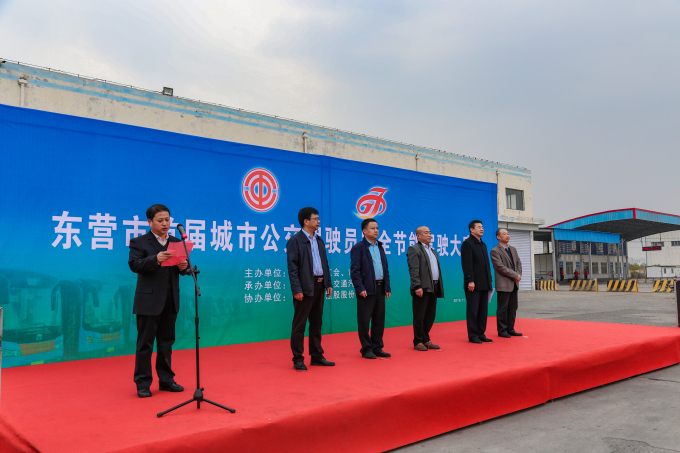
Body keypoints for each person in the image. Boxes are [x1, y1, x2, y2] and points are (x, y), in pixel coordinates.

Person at [128, 204, 188, 398]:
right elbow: (134, 265)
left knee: (166, 343)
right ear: (150, 221)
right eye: (160, 220)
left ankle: (166, 380)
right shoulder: (139, 242)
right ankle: (143, 383)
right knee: (145, 344)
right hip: (148, 302)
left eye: (167, 220)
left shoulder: (176, 242)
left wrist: (184, 266)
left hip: (170, 301)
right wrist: (156, 259)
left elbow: (185, 269)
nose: (165, 224)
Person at [287, 207, 334, 371]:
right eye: (316, 219)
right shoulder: (295, 241)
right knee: (299, 325)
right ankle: (298, 358)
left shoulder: (319, 240)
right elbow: (292, 268)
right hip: (305, 287)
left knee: (316, 323)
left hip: (320, 286)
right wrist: (296, 289)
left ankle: (316, 356)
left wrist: (328, 283)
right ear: (306, 221)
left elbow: (324, 264)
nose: (319, 221)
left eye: (318, 219)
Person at [350, 218, 392, 359]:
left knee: (379, 320)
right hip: (366, 290)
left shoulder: (380, 247)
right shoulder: (358, 248)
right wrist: (359, 288)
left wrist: (387, 286)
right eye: (373, 228)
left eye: (377, 228)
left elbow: (385, 269)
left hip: (380, 288)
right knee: (364, 321)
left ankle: (377, 347)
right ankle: (366, 349)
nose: (376, 231)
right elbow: (355, 271)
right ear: (364, 231)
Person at [406, 226, 444, 351]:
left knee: (430, 315)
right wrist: (417, 286)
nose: (429, 235)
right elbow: (413, 270)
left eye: (430, 233)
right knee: (420, 316)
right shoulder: (414, 249)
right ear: (418, 236)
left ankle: (426, 339)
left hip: (434, 286)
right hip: (422, 287)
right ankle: (418, 341)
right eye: (426, 233)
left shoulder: (432, 250)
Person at [461, 220, 493, 344]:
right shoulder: (467, 244)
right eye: (479, 227)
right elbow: (467, 264)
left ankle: (481, 333)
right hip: (473, 284)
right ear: (471, 229)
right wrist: (470, 280)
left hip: (484, 283)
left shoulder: (482, 244)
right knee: (473, 311)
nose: (482, 229)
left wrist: (489, 282)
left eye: (482, 227)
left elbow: (486, 265)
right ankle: (473, 335)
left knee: (483, 311)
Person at [490, 228, 523, 338]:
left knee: (513, 307)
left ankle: (510, 329)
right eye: (504, 234)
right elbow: (500, 267)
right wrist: (515, 275)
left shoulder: (513, 249)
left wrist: (518, 275)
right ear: (498, 237)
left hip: (514, 283)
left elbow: (518, 263)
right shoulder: (495, 251)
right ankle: (502, 330)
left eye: (508, 233)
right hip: (504, 284)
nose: (507, 235)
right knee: (503, 308)